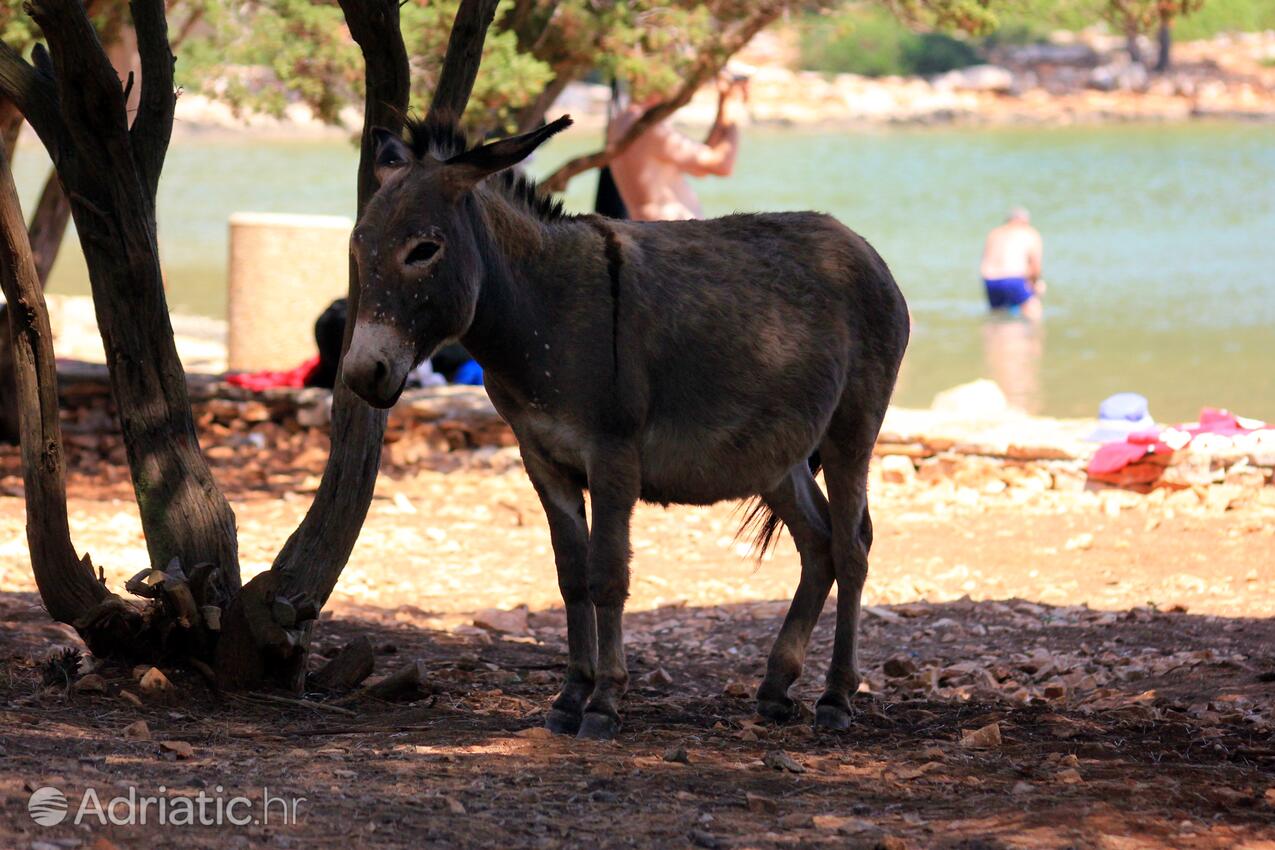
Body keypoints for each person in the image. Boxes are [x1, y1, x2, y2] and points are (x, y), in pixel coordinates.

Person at [607, 74, 748, 221]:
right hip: (673, 236)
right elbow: (723, 165)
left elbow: (700, 166)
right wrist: (734, 107)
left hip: (653, 232)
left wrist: (724, 103)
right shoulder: (649, 129)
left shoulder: (621, 122)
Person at [980, 207, 1045, 321]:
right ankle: (1032, 337)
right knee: (1034, 312)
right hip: (1014, 277)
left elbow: (985, 258)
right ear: (1025, 221)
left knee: (997, 316)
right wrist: (1035, 283)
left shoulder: (995, 233)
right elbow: (1035, 265)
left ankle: (994, 337)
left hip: (990, 280)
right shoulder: (1029, 233)